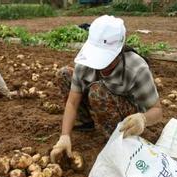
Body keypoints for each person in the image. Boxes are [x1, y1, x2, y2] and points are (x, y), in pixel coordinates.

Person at [50, 15, 162, 163]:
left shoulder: (136, 67)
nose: (100, 65)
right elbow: (72, 102)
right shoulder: (85, 62)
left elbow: (157, 111)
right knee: (64, 74)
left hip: (128, 115)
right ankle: (85, 123)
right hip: (101, 97)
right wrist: (64, 136)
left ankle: (116, 138)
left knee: (98, 91)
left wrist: (143, 118)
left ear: (119, 49)